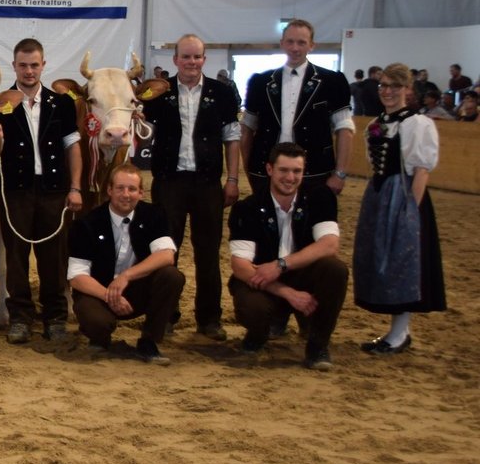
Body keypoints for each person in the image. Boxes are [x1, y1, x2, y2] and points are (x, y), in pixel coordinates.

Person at [139, 34, 241, 341]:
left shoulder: (222, 93)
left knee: (208, 252)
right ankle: (166, 315)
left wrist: (232, 179)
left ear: (204, 59)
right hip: (169, 182)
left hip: (208, 184)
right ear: (175, 60)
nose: (191, 62)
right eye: (186, 57)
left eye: (197, 57)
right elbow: (143, 131)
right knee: (165, 250)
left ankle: (209, 319)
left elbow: (232, 139)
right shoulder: (159, 92)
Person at [0, 37, 82, 344]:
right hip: (15, 192)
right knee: (16, 257)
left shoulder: (62, 103)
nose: (29, 71)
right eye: (23, 65)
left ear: (44, 65)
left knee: (54, 257)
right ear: (14, 66)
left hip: (54, 190)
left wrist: (75, 187)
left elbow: (72, 147)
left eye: (34, 65)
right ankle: (20, 318)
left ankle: (55, 317)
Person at [227, 143, 348, 370]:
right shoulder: (247, 208)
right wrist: (288, 293)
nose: (290, 178)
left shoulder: (320, 197)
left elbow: (330, 245)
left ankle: (318, 347)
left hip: (299, 275)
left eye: (297, 171)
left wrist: (280, 265)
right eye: (283, 170)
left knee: (335, 270)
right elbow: (240, 266)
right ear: (269, 169)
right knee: (253, 307)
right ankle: (257, 335)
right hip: (264, 282)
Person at [355, 65, 446, 356]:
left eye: (395, 86)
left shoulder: (417, 123)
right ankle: (398, 332)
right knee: (380, 259)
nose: (388, 91)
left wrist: (410, 211)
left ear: (408, 89)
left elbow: (421, 170)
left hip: (404, 195)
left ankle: (399, 333)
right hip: (379, 195)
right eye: (383, 85)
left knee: (401, 262)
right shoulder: (376, 123)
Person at [67, 164, 183, 364]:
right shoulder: (86, 223)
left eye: (132, 189)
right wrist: (109, 295)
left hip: (135, 289)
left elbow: (166, 256)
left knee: (171, 276)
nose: (126, 195)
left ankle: (149, 341)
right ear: (109, 190)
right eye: (120, 188)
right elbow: (77, 277)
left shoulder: (154, 214)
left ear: (141, 193)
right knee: (97, 322)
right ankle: (98, 337)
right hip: (98, 292)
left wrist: (126, 276)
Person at [240, 19, 353, 195]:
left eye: (301, 42)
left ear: (311, 45)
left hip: (315, 172)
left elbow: (345, 129)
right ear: (282, 44)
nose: (295, 48)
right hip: (266, 171)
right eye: (290, 42)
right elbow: (247, 128)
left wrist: (340, 174)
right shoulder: (260, 82)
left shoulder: (332, 81)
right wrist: (250, 170)